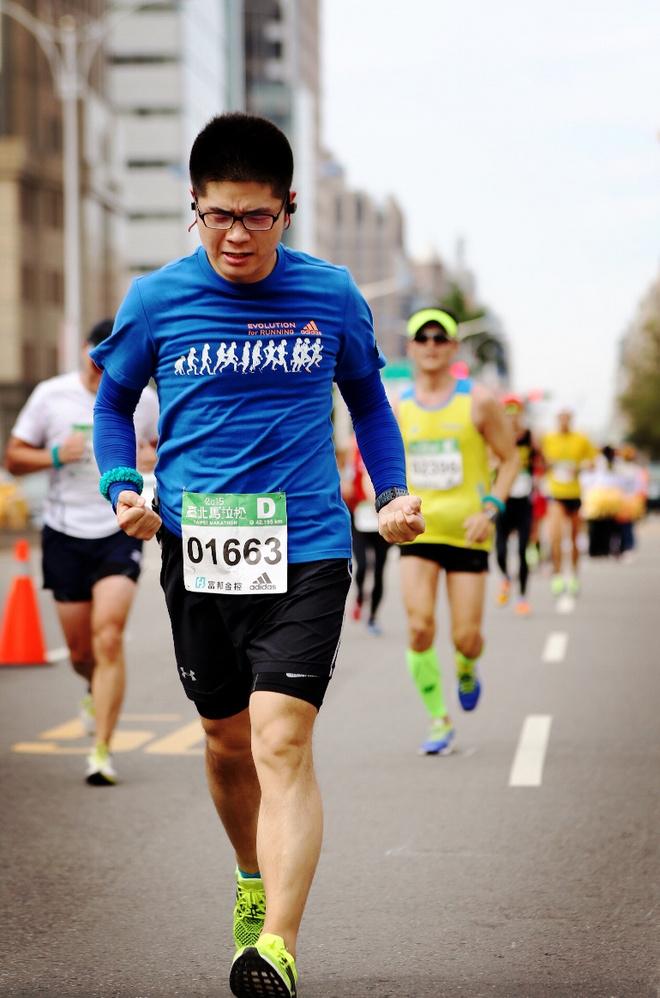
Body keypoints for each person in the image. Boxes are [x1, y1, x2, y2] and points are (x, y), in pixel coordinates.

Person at [89, 112, 424, 998]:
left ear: (289, 209)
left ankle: (276, 943)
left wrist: (389, 497)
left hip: (307, 547)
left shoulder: (333, 295)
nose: (237, 236)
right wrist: (123, 483)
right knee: (226, 743)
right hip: (201, 547)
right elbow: (113, 403)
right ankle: (250, 874)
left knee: (282, 741)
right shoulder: (157, 300)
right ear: (194, 207)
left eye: (258, 217)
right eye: (219, 216)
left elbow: (372, 406)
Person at [3, 319, 159, 785]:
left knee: (108, 636)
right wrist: (53, 456)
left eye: (109, 364)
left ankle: (101, 750)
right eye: (94, 362)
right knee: (79, 650)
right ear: (84, 354)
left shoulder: (146, 399)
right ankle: (92, 686)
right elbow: (12, 458)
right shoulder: (50, 396)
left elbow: (167, 446)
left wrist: (154, 457)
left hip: (118, 527)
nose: (100, 371)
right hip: (64, 532)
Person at [397, 308, 520, 756]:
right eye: (422, 338)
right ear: (410, 348)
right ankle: (438, 719)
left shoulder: (479, 400)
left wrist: (491, 508)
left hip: (469, 533)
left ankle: (467, 665)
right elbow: (381, 462)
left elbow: (510, 459)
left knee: (464, 637)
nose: (430, 345)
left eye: (439, 338)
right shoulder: (399, 405)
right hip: (420, 532)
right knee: (418, 627)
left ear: (453, 346)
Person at [541, 407, 596, 596]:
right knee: (555, 537)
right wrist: (548, 463)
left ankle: (573, 576)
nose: (564, 421)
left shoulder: (581, 438)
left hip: (575, 493)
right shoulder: (548, 438)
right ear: (557, 419)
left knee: (574, 539)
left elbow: (593, 461)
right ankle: (557, 574)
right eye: (560, 418)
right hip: (556, 493)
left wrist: (580, 467)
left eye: (567, 418)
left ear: (571, 419)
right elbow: (540, 461)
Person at [341, 436, 392, 634]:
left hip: (382, 516)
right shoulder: (354, 447)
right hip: (360, 515)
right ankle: (361, 595)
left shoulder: (386, 445)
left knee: (380, 569)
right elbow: (347, 478)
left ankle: (372, 617)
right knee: (362, 564)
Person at [494, 394, 538, 615]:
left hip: (524, 502)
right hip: (503, 501)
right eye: (507, 414)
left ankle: (522, 597)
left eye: (515, 413)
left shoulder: (530, 436)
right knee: (500, 551)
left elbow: (542, 462)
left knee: (522, 550)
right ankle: (506, 577)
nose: (512, 419)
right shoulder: (496, 437)